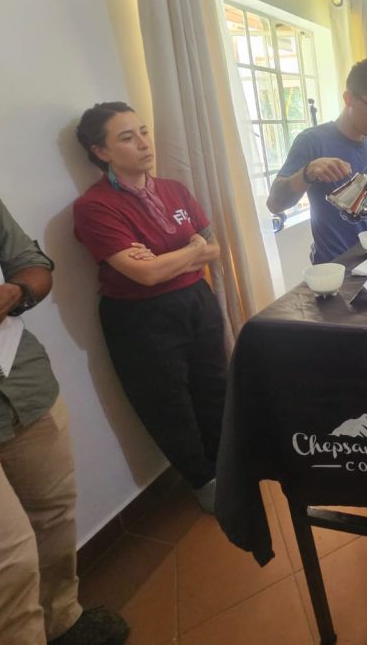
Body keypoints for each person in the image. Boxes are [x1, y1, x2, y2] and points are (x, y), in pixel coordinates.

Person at [0, 163, 128, 644]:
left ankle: (62, 621)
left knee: (54, 520)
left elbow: (32, 264)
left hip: (24, 386)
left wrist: (12, 293)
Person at [73, 102, 227, 513]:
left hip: (197, 300)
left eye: (143, 131)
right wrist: (189, 249)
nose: (144, 143)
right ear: (101, 151)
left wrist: (172, 258)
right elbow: (146, 275)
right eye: (127, 137)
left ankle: (228, 464)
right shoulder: (95, 206)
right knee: (168, 403)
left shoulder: (175, 189)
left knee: (214, 383)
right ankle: (203, 480)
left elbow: (213, 247)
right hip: (141, 318)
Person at [267, 59, 367, 263]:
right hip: (334, 271)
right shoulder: (311, 141)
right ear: (349, 98)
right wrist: (307, 173)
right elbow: (274, 204)